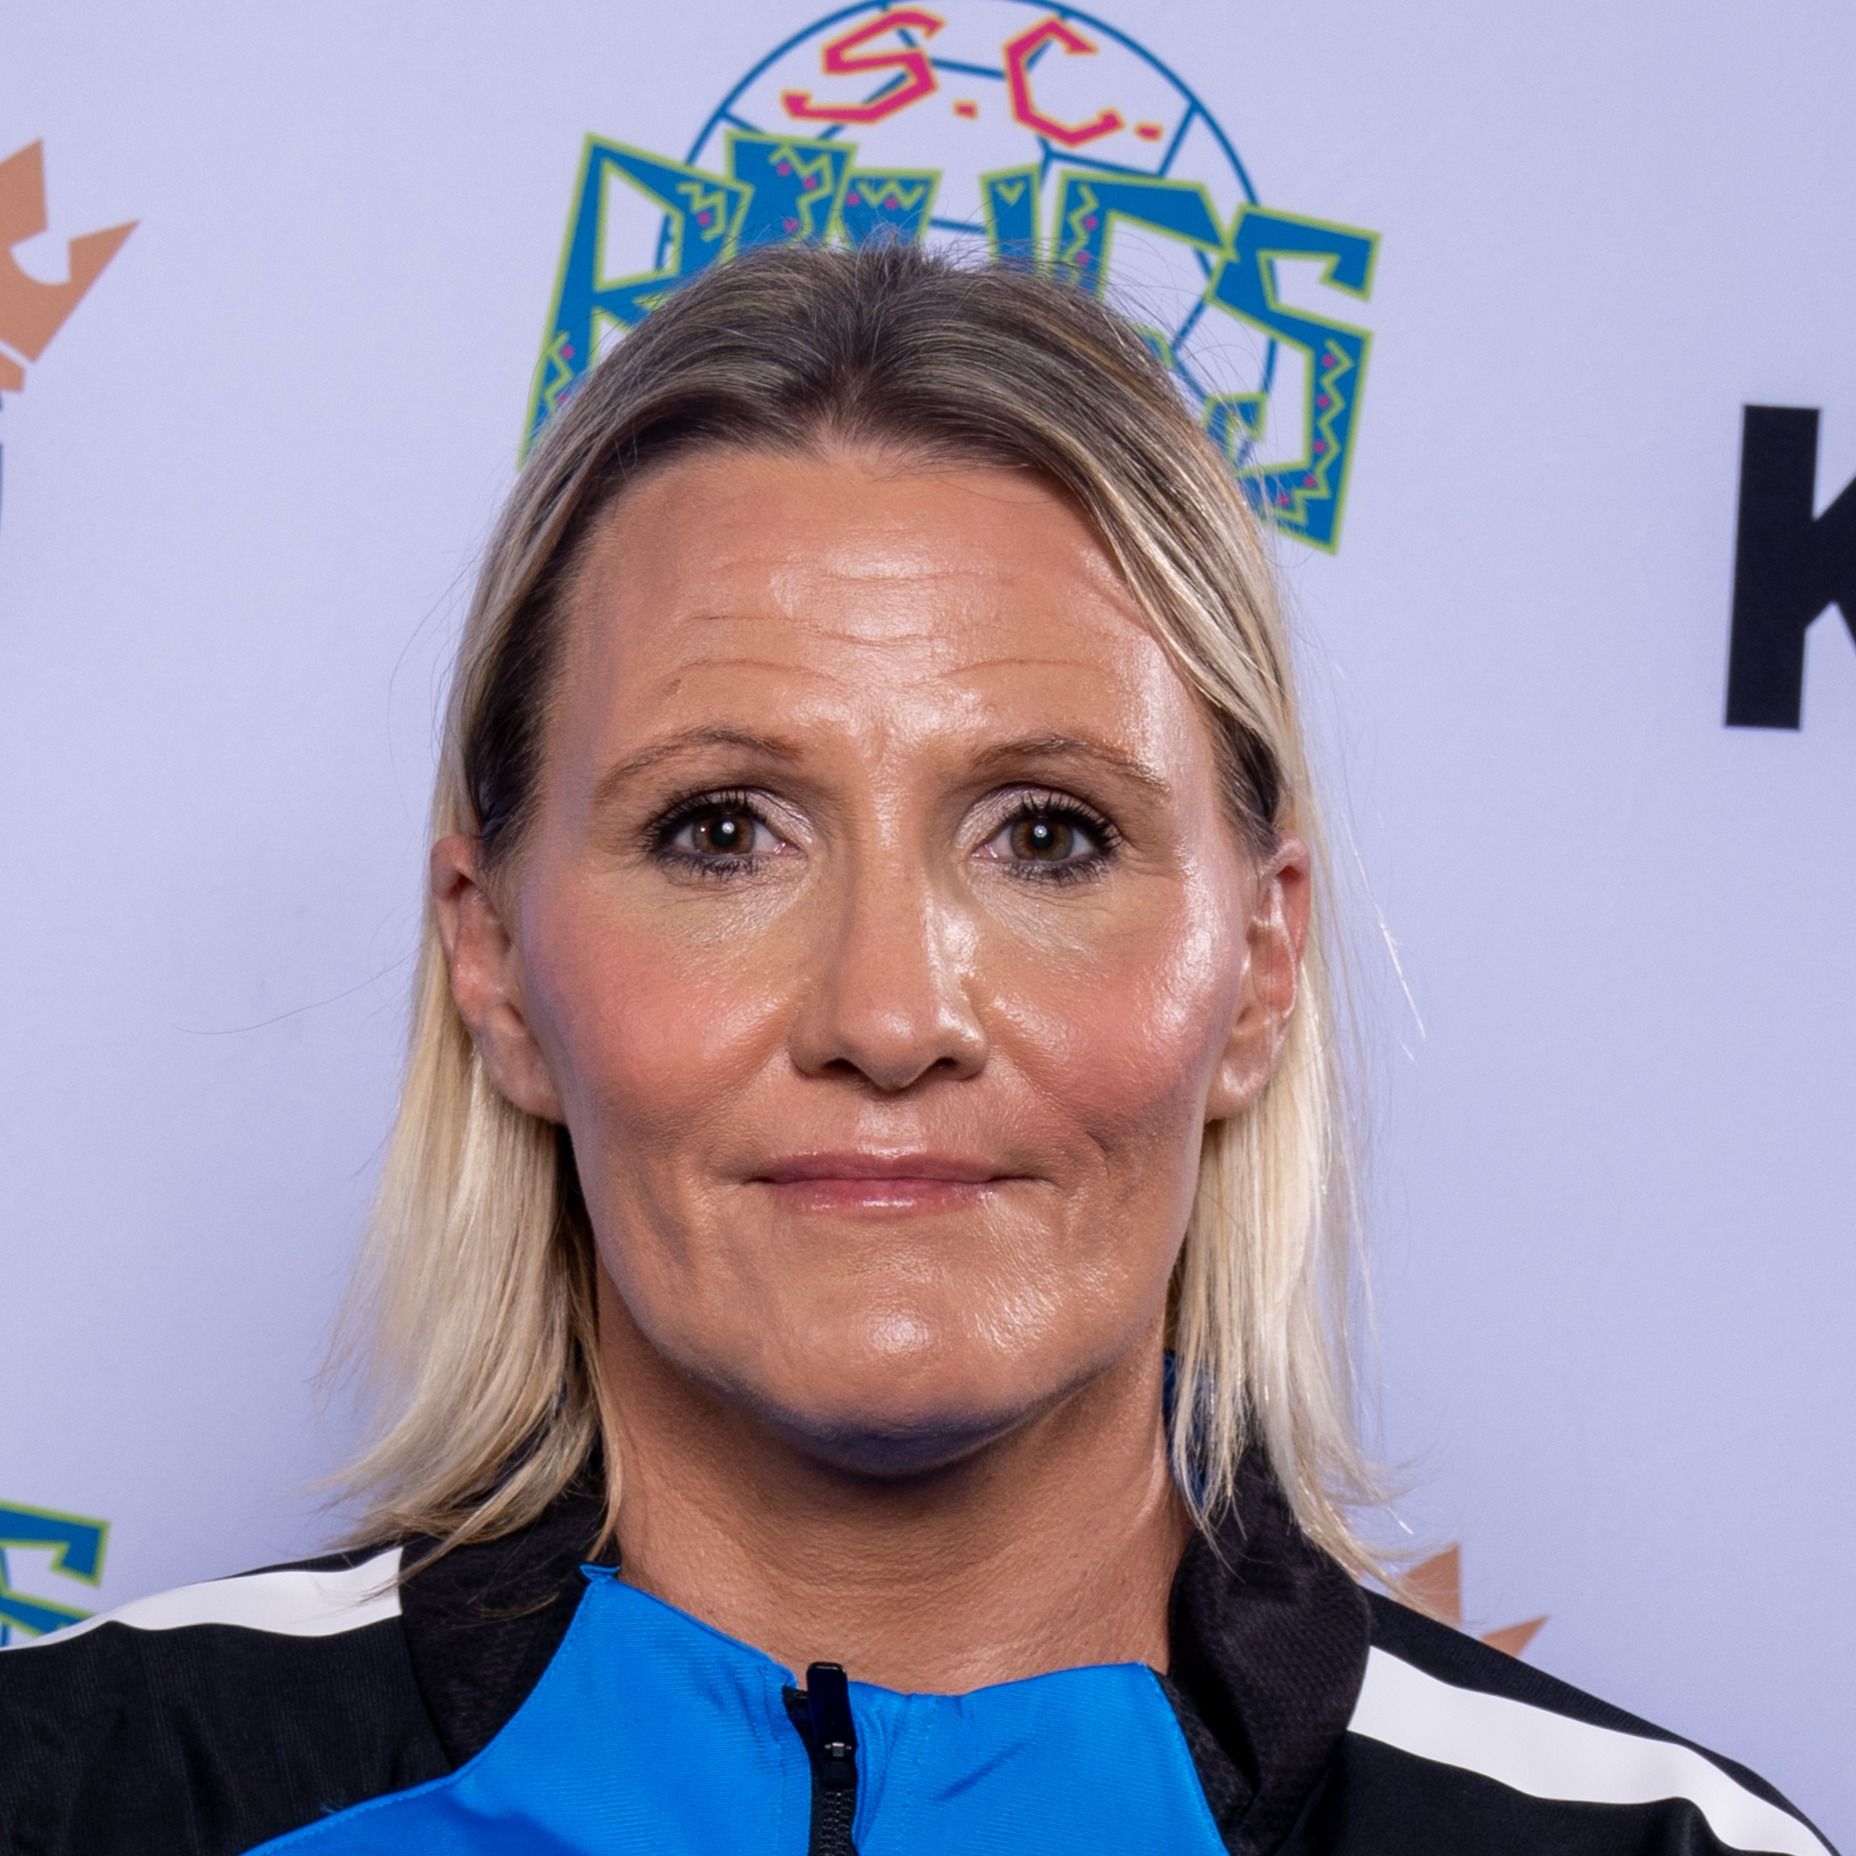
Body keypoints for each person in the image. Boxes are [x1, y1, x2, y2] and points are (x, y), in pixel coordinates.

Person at [0, 240, 1835, 1856]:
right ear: (492, 958)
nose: (889, 1016)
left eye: (1047, 834)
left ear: (1260, 964)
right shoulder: (71, 1797)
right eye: (722, 832)